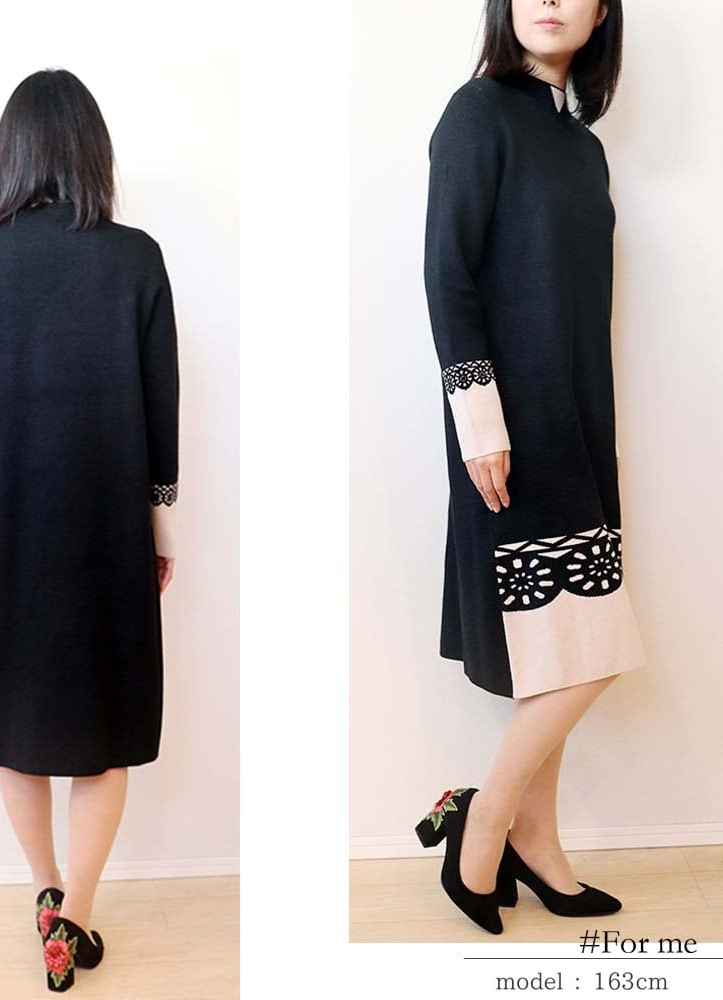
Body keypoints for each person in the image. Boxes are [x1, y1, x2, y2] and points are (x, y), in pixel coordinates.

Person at [0, 67, 179, 990]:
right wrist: (161, 531)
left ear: (11, 155)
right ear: (91, 152)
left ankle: (44, 890)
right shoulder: (136, 258)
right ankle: (76, 913)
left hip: (5, 541)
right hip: (108, 536)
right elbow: (161, 407)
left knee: (17, 725)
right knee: (103, 734)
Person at [416, 0, 645, 935]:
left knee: (562, 655)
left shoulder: (583, 149)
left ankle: (537, 844)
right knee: (593, 649)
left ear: (602, 13)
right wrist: (478, 419)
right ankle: (484, 822)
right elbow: (447, 273)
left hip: (580, 424)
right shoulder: (477, 114)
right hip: (508, 431)